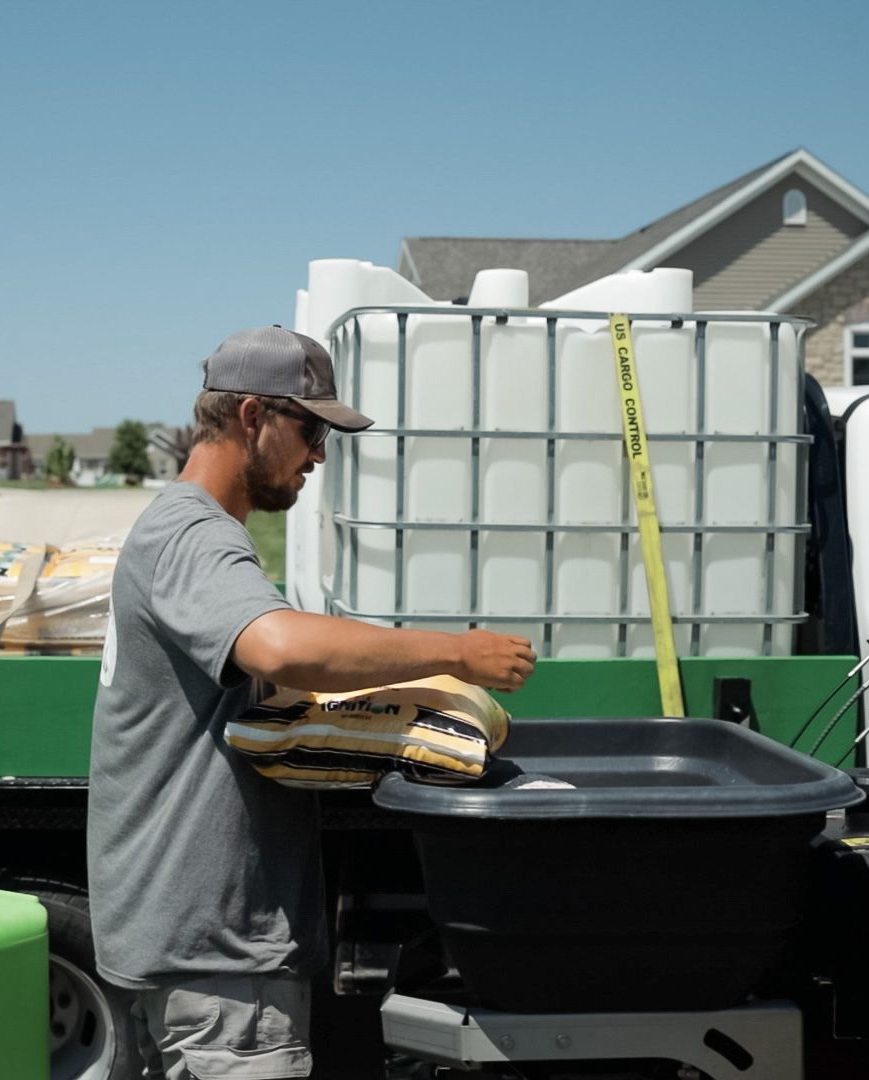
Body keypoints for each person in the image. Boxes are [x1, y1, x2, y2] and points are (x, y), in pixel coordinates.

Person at [87, 326, 536, 1078]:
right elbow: (279, 646)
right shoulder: (192, 536)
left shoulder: (185, 529)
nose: (319, 456)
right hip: (217, 963)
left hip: (195, 950)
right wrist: (457, 653)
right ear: (253, 417)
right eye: (312, 430)